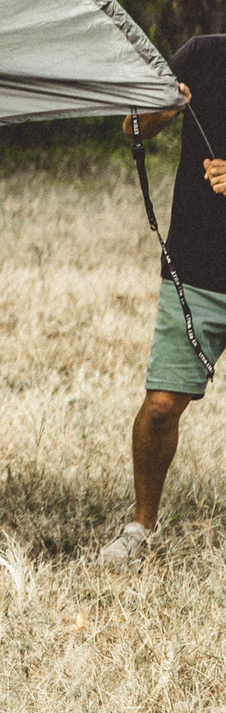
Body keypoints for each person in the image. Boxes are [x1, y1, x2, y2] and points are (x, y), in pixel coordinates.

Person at [100, 36, 226, 564]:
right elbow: (131, 126)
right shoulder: (202, 54)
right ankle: (140, 529)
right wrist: (160, 109)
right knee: (159, 409)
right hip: (195, 266)